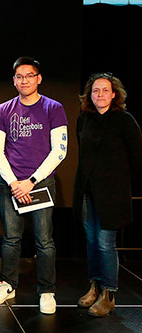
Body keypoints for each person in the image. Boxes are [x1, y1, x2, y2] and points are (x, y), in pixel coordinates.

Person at [0, 56, 68, 314]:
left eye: (30, 75)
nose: (25, 80)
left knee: (44, 240)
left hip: (40, 183)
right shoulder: (3, 110)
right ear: (14, 80)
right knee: (11, 239)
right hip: (11, 185)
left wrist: (31, 181)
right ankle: (7, 284)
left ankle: (47, 290)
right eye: (20, 76)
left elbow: (60, 150)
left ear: (39, 78)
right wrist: (14, 183)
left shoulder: (53, 108)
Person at [74, 73, 142, 317]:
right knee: (92, 242)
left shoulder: (124, 120)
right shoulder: (84, 119)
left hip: (112, 195)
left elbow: (136, 158)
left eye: (104, 90)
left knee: (105, 244)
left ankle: (109, 294)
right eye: (95, 91)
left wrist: (118, 183)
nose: (99, 94)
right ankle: (95, 286)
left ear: (114, 94)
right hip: (87, 192)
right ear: (89, 95)